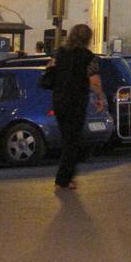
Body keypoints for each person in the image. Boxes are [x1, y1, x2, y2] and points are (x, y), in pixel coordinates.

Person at [48, 23, 106, 191]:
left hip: (59, 99)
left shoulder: (59, 53)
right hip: (76, 101)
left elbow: (50, 69)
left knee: (68, 138)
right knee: (72, 140)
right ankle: (64, 178)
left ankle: (66, 176)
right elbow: (94, 81)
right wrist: (100, 98)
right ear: (88, 39)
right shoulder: (88, 57)